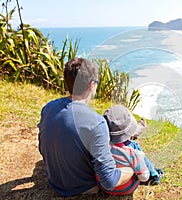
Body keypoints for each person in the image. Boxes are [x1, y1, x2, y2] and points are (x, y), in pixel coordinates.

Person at [38, 58, 134, 197]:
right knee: (133, 155)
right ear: (91, 85)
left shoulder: (48, 108)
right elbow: (109, 181)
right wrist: (132, 169)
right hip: (83, 188)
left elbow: (43, 146)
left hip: (54, 180)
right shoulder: (96, 122)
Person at [101, 105, 164, 195]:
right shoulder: (131, 153)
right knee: (133, 145)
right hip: (126, 188)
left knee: (130, 144)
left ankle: (133, 134)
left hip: (103, 186)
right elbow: (143, 177)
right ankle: (154, 174)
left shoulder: (99, 147)